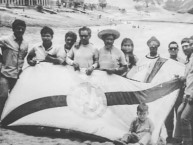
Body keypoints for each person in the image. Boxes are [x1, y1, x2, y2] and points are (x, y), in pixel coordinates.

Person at [0, 19, 28, 117]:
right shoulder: (5, 40)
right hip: (4, 73)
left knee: (14, 99)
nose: (20, 30)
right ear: (13, 29)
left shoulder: (25, 44)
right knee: (3, 96)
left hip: (17, 76)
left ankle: (8, 118)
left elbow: (23, 58)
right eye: (18, 28)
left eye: (22, 28)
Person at [165, 41, 186, 144]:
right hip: (168, 92)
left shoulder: (183, 62)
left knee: (179, 114)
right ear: (168, 50)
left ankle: (178, 138)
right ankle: (169, 137)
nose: (173, 50)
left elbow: (186, 76)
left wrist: (182, 79)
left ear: (178, 50)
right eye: (171, 48)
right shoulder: (166, 62)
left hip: (180, 92)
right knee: (168, 116)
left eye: (175, 48)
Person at [174, 37, 193, 145]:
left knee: (184, 118)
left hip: (191, 94)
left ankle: (187, 142)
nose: (185, 48)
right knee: (179, 112)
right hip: (187, 92)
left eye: (187, 46)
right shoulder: (188, 59)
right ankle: (178, 139)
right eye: (183, 47)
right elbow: (188, 77)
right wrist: (181, 77)